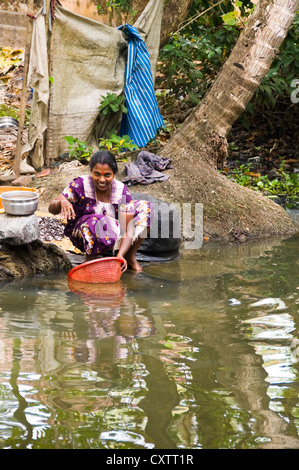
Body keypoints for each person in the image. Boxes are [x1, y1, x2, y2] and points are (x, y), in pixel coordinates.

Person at [48, 150, 153, 272]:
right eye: (97, 174)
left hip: (113, 231)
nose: (101, 179)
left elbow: (128, 228)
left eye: (107, 175)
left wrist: (120, 256)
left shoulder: (121, 191)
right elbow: (51, 208)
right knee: (98, 221)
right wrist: (62, 202)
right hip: (84, 232)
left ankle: (129, 257)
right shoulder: (80, 184)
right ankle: (91, 258)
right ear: (91, 172)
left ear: (114, 174)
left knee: (145, 207)